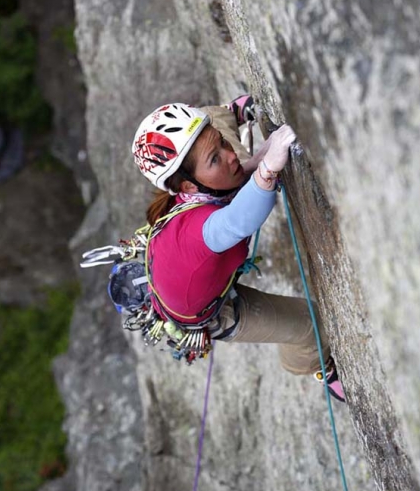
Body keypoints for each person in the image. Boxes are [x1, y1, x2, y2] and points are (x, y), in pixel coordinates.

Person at [131, 97, 345, 402]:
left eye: (220, 143)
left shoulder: (202, 184)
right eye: (214, 159)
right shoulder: (198, 232)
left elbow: (231, 172)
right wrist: (267, 169)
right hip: (215, 313)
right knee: (312, 325)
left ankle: (221, 117)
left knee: (229, 162)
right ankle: (318, 365)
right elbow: (237, 221)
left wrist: (259, 158)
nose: (227, 156)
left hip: (192, 273)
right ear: (188, 188)